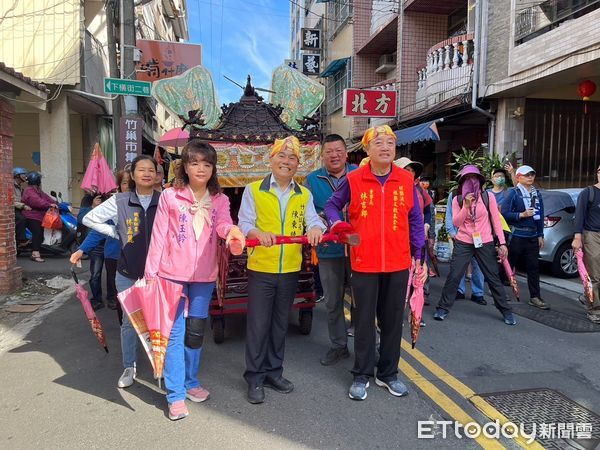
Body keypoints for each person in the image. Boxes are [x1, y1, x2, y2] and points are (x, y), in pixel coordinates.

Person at [325, 125, 427, 401]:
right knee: (364, 321)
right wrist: (338, 224)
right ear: (367, 149)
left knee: (393, 321)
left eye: (390, 143)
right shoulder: (354, 178)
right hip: (363, 261)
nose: (385, 147)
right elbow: (332, 205)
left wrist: (420, 256)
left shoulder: (406, 179)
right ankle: (361, 374)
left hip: (397, 261)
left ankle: (388, 374)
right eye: (378, 142)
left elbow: (416, 219)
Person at [144, 141, 244, 420]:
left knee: (196, 332)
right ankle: (175, 395)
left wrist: (232, 231)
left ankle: (190, 382)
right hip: (170, 275)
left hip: (204, 276)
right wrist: (151, 274)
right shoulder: (170, 196)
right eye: (195, 163)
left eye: (207, 164)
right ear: (184, 167)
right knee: (174, 334)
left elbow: (223, 224)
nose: (201, 168)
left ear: (213, 169)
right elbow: (159, 236)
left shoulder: (221, 200)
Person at [238, 135, 325, 405]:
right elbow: (244, 223)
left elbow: (314, 221)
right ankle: (254, 376)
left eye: (292, 158)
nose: (286, 162)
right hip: (262, 268)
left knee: (279, 325)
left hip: (289, 269)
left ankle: (274, 372)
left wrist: (315, 228)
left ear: (298, 164)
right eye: (281, 156)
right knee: (258, 325)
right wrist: (257, 232)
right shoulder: (253, 190)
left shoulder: (304, 194)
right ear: (271, 159)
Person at [80, 155, 160, 390]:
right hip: (127, 272)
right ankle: (129, 366)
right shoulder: (120, 200)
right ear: (132, 175)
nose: (146, 173)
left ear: (157, 175)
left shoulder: (164, 200)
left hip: (157, 274)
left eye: (151, 170)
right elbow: (90, 218)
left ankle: (160, 362)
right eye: (141, 170)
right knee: (128, 321)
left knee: (156, 320)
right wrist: (116, 233)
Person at [433, 165, 515, 325]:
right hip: (464, 241)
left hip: (484, 241)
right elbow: (456, 221)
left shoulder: (487, 197)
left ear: (479, 181)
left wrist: (502, 243)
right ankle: (443, 307)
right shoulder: (456, 198)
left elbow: (496, 221)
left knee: (492, 276)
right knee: (455, 275)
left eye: (474, 179)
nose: (471, 182)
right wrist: (465, 206)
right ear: (462, 182)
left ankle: (506, 310)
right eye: (467, 179)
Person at [305, 134, 357, 366]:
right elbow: (307, 213)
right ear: (322, 155)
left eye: (338, 150)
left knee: (365, 301)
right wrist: (320, 219)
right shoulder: (312, 180)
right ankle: (338, 346)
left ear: (346, 153)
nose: (334, 155)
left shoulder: (359, 173)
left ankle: (368, 348)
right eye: (329, 151)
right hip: (329, 250)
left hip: (360, 249)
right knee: (333, 302)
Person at [70, 170, 131, 313]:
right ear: (119, 186)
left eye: (130, 183)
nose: (128, 186)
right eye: (124, 183)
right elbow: (97, 231)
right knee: (116, 289)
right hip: (114, 255)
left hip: (135, 257)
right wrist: (81, 249)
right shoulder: (114, 204)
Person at [502, 165, 548, 310]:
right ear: (518, 177)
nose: (530, 177)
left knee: (533, 267)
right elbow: (504, 214)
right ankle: (498, 289)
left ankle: (535, 296)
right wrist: (521, 215)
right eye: (527, 174)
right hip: (517, 234)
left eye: (532, 174)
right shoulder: (513, 192)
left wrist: (541, 234)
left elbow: (540, 216)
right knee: (509, 264)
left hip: (532, 235)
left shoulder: (537, 194)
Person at [445, 191, 486, 305]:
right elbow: (449, 214)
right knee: (459, 264)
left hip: (479, 236)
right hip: (460, 235)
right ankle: (459, 290)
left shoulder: (483, 194)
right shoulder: (455, 195)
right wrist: (452, 232)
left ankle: (478, 293)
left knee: (478, 264)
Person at [572, 165, 600, 323]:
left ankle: (588, 297)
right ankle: (594, 310)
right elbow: (579, 215)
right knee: (595, 276)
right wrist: (577, 237)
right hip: (592, 235)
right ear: (597, 173)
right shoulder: (588, 193)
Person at [21, 171, 57, 263]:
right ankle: (35, 253)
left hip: (39, 215)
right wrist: (49, 205)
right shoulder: (29, 190)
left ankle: (38, 248)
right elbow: (37, 202)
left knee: (40, 233)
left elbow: (46, 197)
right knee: (37, 232)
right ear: (37, 180)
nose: (40, 181)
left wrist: (56, 203)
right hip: (31, 216)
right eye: (39, 179)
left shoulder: (37, 189)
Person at [13, 167, 30, 246]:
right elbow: (11, 201)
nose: (25, 176)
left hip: (19, 208)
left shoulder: (20, 186)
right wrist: (23, 206)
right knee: (21, 219)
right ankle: (21, 239)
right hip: (12, 209)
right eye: (23, 174)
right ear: (17, 176)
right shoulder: (12, 185)